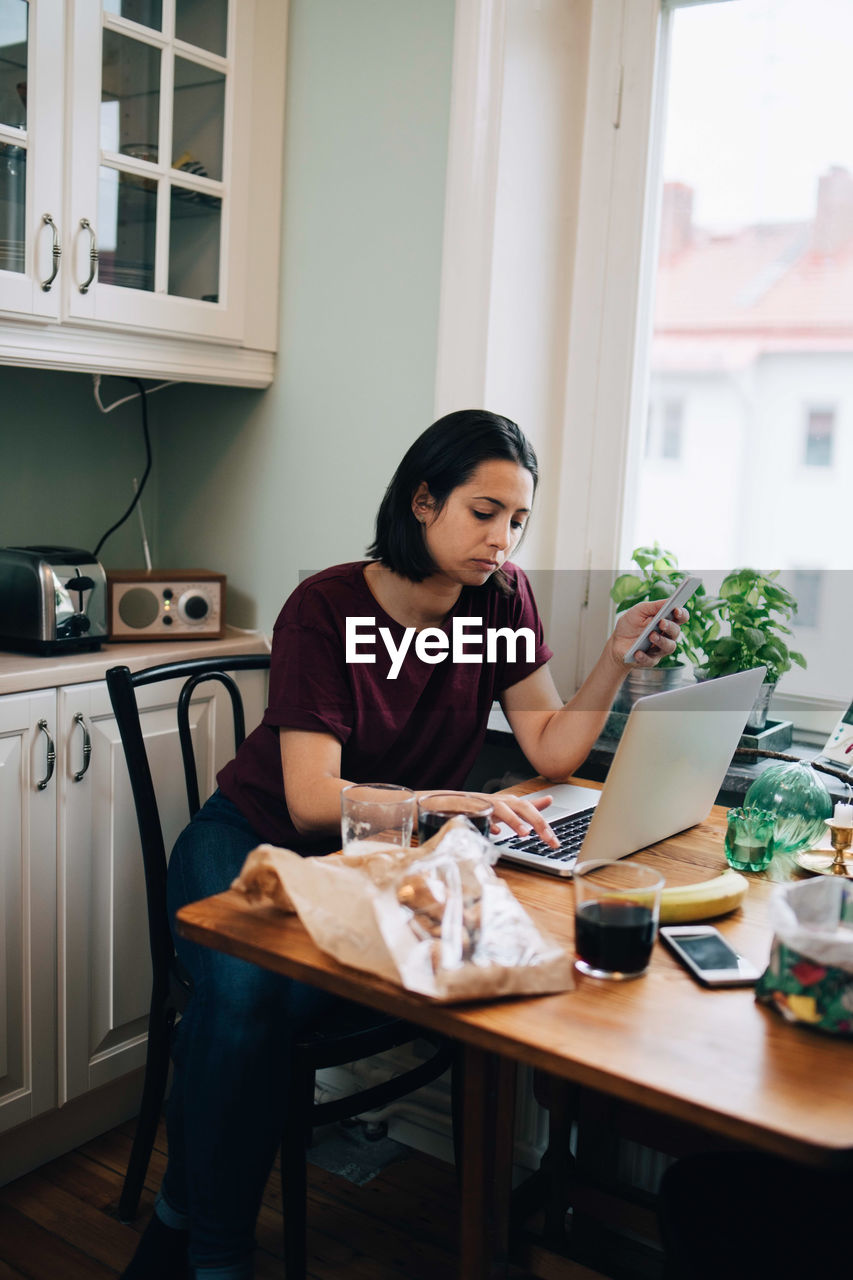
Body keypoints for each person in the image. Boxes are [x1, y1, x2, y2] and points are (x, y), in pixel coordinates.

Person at [122, 409, 684, 1279]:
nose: (502, 539)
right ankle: (214, 1254)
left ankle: (176, 1215)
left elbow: (551, 750)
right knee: (245, 998)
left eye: (518, 521)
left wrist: (615, 658)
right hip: (253, 840)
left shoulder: (501, 597)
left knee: (254, 1013)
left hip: (373, 866)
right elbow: (310, 804)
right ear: (422, 502)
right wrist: (441, 804)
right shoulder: (325, 606)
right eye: (483, 511)